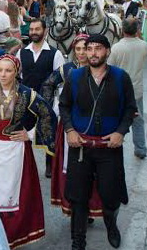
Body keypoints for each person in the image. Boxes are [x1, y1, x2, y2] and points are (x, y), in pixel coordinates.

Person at [60, 34, 138, 250]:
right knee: (78, 198)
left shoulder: (121, 78)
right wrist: (70, 129)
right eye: (89, 48)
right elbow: (64, 106)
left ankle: (111, 224)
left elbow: (130, 109)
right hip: (80, 148)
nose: (92, 53)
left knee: (110, 194)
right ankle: (78, 246)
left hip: (109, 148)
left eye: (98, 49)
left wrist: (120, 132)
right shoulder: (74, 77)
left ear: (107, 51)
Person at [0, 54, 55, 250]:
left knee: (13, 193)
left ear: (16, 72)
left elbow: (47, 114)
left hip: (15, 150)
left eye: (8, 70)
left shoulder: (26, 94)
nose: (3, 74)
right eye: (0, 70)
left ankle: (12, 238)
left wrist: (30, 134)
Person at [42, 34, 102, 216]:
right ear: (74, 51)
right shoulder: (66, 69)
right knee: (70, 166)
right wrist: (52, 108)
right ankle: (73, 204)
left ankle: (90, 206)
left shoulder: (99, 69)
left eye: (85, 48)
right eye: (78, 49)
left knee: (93, 167)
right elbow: (48, 84)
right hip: (69, 124)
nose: (82, 53)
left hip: (93, 125)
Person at [110, 18, 147, 159]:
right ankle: (140, 148)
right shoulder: (144, 45)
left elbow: (110, 67)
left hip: (119, 90)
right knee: (138, 121)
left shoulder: (116, 48)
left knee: (115, 119)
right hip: (137, 90)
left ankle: (113, 144)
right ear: (137, 30)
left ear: (122, 30)